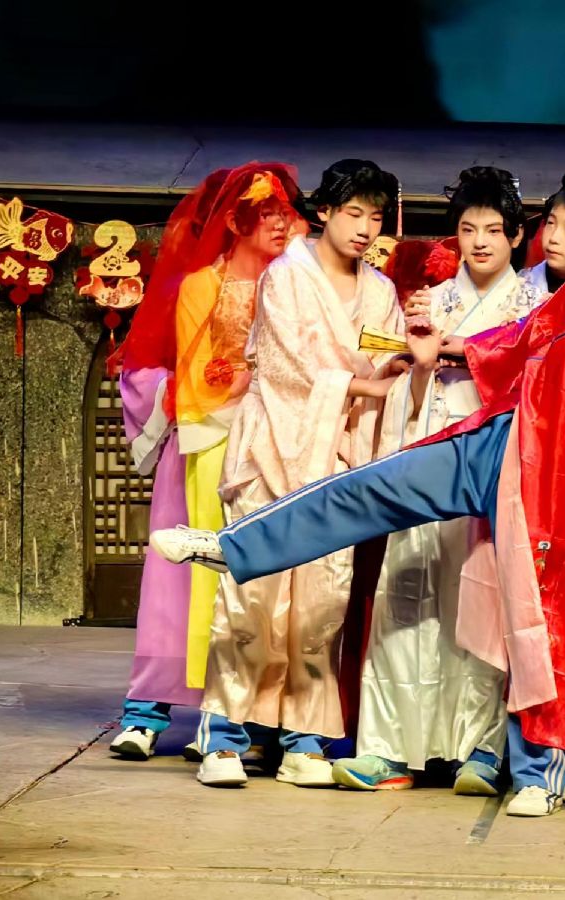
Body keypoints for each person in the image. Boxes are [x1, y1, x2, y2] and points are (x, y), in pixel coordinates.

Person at [150, 155, 565, 816]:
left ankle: (537, 772)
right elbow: (515, 340)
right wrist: (440, 349)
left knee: (541, 629)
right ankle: (235, 546)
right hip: (498, 443)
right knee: (375, 487)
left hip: (559, 496)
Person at [192, 159, 407, 788]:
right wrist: (366, 385)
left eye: (375, 216)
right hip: (270, 450)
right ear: (324, 212)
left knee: (322, 599)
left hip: (336, 455)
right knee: (252, 595)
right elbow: (289, 368)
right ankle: (225, 735)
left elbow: (384, 354)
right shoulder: (286, 276)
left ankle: (304, 739)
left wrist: (406, 356)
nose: (364, 228)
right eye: (353, 213)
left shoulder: (381, 292)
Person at [334, 167, 540, 795]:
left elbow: (530, 395)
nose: (480, 242)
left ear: (516, 236)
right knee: (408, 593)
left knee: (477, 602)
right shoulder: (431, 300)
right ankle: (389, 748)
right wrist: (422, 368)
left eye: (494, 230)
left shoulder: (531, 307)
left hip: (486, 465)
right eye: (469, 229)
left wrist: (465, 357)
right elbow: (404, 386)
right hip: (426, 454)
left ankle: (481, 748)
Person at [109, 163, 304, 761]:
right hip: (205, 440)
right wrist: (249, 381)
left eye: (284, 213)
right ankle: (146, 711)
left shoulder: (297, 281)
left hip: (276, 443)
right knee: (178, 577)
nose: (280, 224)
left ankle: (244, 718)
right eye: (266, 214)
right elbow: (196, 374)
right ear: (236, 222)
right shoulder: (201, 284)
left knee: (261, 583)